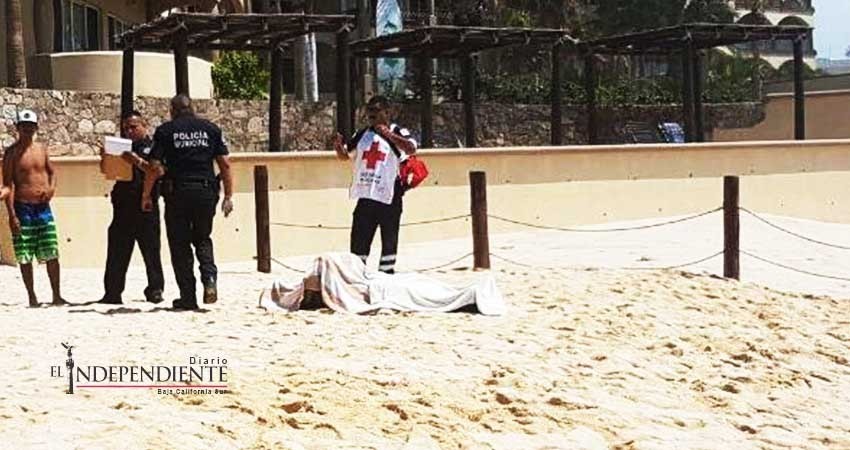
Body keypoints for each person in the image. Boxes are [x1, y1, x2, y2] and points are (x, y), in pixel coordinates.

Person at [143, 95, 234, 310]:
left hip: (178, 193)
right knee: (202, 238)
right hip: (205, 192)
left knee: (180, 244)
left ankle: (188, 296)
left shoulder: (166, 131)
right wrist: (229, 195)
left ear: (173, 110)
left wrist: (146, 195)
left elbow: (154, 167)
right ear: (192, 108)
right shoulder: (211, 129)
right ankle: (209, 279)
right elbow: (225, 165)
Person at [333, 96, 418, 274]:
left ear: (387, 112)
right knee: (359, 239)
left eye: (375, 110)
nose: (370, 114)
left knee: (389, 239)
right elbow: (346, 156)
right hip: (366, 195)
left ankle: (386, 276)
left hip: (389, 195)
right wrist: (339, 148)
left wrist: (388, 134)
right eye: (369, 110)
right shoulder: (362, 134)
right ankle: (358, 276)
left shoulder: (399, 131)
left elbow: (410, 148)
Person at [98, 111, 165, 305]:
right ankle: (112, 291)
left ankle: (155, 289)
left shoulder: (153, 147)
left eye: (133, 127)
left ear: (144, 126)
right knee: (117, 250)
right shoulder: (122, 147)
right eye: (126, 128)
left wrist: (136, 160)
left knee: (151, 250)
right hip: (123, 204)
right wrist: (106, 158)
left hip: (146, 205)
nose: (129, 131)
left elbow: (157, 171)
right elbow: (106, 171)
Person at [2, 109, 67, 307]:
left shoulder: (42, 149)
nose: (27, 131)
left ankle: (57, 295)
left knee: (52, 252)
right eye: (24, 127)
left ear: (36, 128)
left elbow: (52, 173)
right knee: (24, 255)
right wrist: (12, 215)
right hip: (23, 209)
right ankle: (32, 296)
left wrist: (52, 189)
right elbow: (8, 185)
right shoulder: (11, 154)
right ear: (18, 128)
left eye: (31, 127)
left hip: (43, 208)